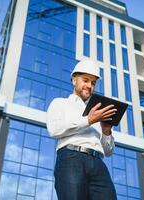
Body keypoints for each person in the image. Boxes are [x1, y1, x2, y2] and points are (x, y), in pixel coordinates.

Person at [47, 59, 117, 200]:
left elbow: (108, 152)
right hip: (72, 159)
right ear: (74, 80)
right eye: (85, 80)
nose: (89, 86)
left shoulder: (98, 112)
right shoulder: (60, 103)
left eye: (93, 83)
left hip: (98, 163)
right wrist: (88, 120)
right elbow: (54, 129)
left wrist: (106, 131)